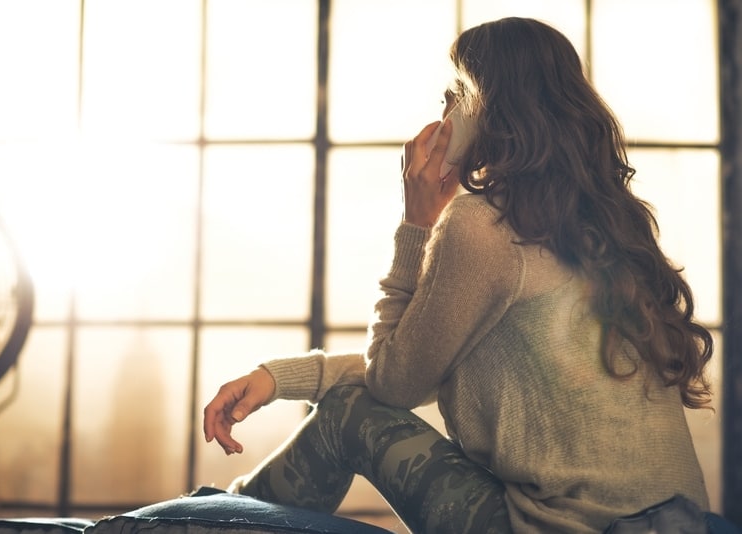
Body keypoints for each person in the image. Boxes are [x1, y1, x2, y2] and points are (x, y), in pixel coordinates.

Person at [202, 17, 713, 533]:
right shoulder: (600, 223)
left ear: (490, 108)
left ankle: (215, 522)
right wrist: (277, 379)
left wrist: (416, 224)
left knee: (346, 410)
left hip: (565, 528)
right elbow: (425, 359)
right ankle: (222, 512)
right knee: (352, 402)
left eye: (453, 95)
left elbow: (393, 382)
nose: (442, 114)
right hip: (676, 521)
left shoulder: (480, 225)